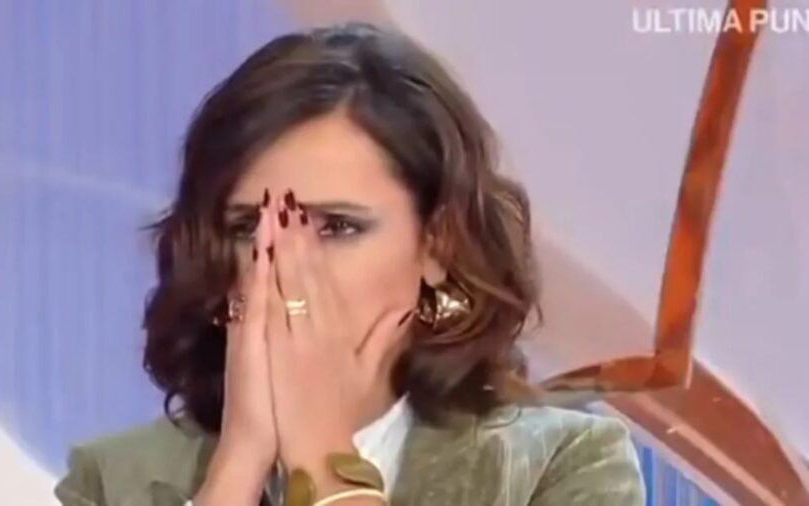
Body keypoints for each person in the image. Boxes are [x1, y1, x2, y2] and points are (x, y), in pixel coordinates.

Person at [55, 22, 645, 506]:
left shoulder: (562, 465)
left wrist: (321, 456)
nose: (285, 265)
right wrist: (237, 467)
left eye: (337, 226)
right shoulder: (109, 481)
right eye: (248, 228)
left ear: (437, 245)